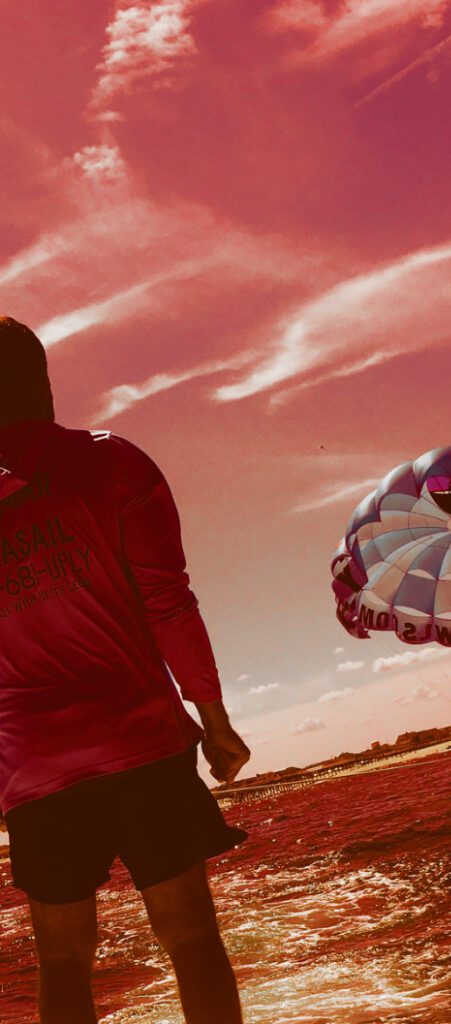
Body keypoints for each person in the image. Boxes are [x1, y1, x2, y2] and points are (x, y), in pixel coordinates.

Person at [0, 316, 251, 1024]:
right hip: (140, 745)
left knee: (62, 959)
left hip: (34, 768)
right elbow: (169, 602)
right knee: (192, 938)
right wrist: (214, 718)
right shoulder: (113, 464)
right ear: (42, 382)